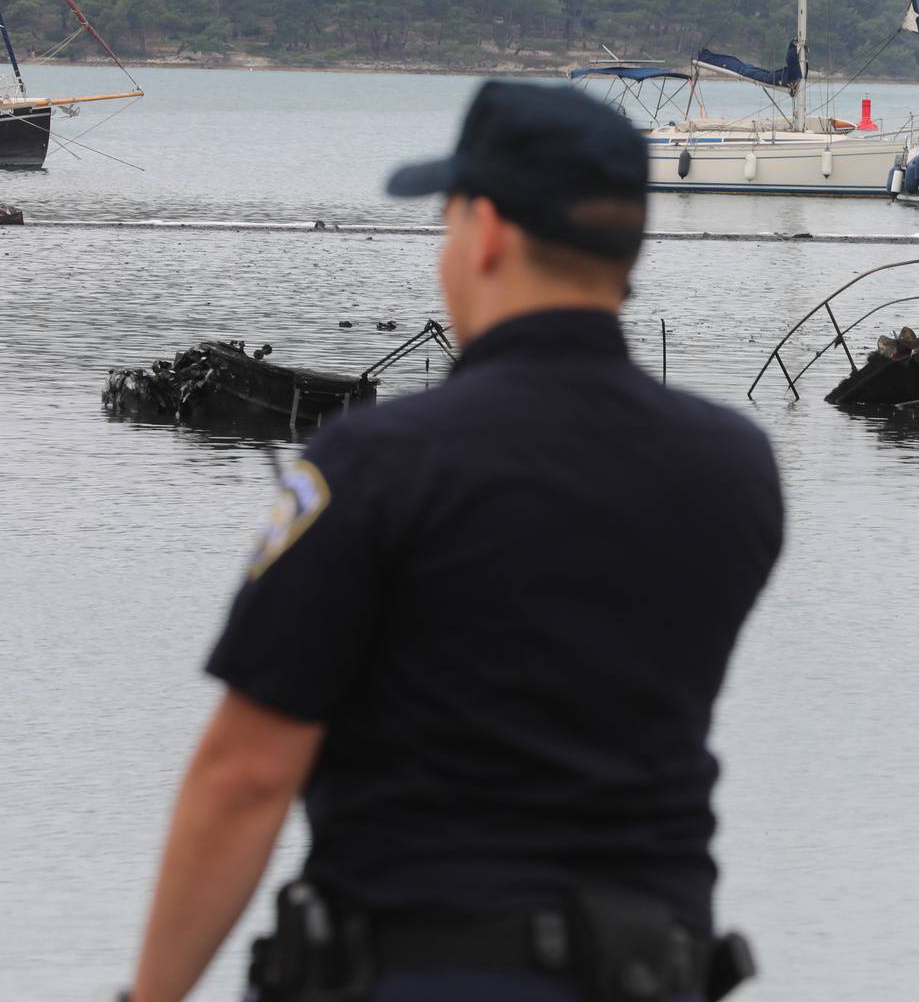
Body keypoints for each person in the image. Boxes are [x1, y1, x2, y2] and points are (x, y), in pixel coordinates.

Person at [127, 81, 783, 1002]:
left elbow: (247, 773)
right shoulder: (735, 470)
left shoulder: (376, 465)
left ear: (484, 231)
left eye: (444, 224)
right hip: (650, 970)